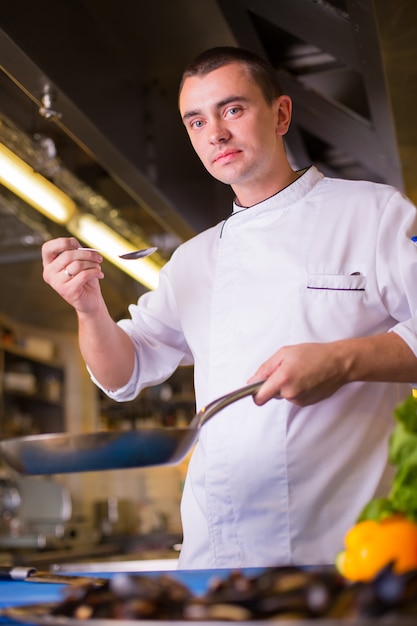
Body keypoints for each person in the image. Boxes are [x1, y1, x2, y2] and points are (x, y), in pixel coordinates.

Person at [42, 46, 417, 570]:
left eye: (232, 110)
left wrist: (343, 360)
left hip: (342, 552)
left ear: (281, 114)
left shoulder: (372, 213)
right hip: (216, 557)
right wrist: (87, 308)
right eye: (196, 121)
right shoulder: (192, 261)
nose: (214, 133)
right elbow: (122, 374)